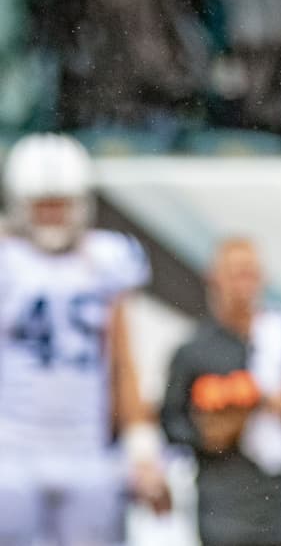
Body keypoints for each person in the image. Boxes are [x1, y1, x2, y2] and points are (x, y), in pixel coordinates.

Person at [0, 133, 169, 546]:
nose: (52, 216)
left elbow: (123, 362)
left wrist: (142, 450)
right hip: (12, 452)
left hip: (86, 450)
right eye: (42, 205)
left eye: (60, 204)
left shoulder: (107, 258)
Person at [160, 237, 281, 546]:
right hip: (222, 505)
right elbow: (171, 421)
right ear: (214, 279)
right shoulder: (195, 350)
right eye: (235, 274)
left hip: (279, 503)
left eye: (250, 274)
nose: (243, 285)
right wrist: (208, 436)